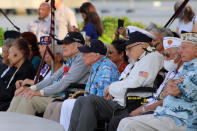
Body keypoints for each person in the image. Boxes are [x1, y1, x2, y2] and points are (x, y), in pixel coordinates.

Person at [68, 28, 163, 131]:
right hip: (120, 101)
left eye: (129, 48)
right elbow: (122, 81)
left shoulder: (152, 57)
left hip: (131, 103)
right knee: (81, 100)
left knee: (91, 100)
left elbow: (136, 83)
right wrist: (112, 89)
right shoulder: (136, 60)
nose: (127, 53)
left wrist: (110, 89)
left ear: (143, 45)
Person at [117, 33, 197, 131]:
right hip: (166, 113)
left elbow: (173, 91)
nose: (180, 51)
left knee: (131, 125)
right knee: (124, 121)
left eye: (184, 47)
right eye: (180, 48)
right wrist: (171, 83)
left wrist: (173, 86)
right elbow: (170, 89)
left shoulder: (195, 68)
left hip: (182, 118)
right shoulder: (186, 67)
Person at [7, 32, 89, 115]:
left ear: (77, 46)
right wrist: (31, 88)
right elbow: (53, 78)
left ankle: (22, 127)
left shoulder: (82, 59)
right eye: (63, 43)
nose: (63, 46)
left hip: (70, 97)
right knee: (21, 94)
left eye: (67, 44)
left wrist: (39, 92)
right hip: (59, 94)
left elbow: (65, 82)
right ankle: (8, 124)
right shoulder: (70, 60)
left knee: (28, 98)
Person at [44, 40, 119, 127]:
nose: (82, 55)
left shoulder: (106, 68)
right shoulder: (95, 66)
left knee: (69, 103)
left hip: (104, 107)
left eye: (86, 52)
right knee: (65, 103)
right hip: (90, 102)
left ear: (96, 55)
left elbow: (101, 99)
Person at [0, 38, 36, 111]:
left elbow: (11, 94)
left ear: (21, 53)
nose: (8, 57)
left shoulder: (26, 70)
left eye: (10, 53)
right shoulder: (15, 67)